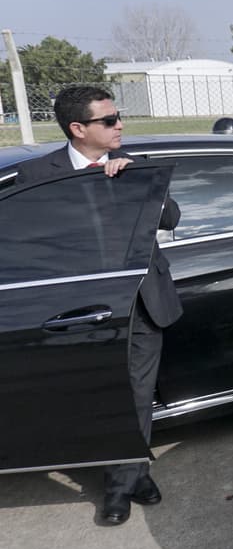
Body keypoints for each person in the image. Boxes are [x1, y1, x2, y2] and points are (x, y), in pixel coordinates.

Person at [14, 86, 183, 526]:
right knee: (96, 396)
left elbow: (170, 217)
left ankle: (119, 488)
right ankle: (134, 477)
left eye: (118, 116)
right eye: (109, 121)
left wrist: (134, 186)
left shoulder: (135, 169)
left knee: (137, 396)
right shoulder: (38, 175)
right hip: (76, 311)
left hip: (140, 305)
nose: (120, 125)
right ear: (78, 128)